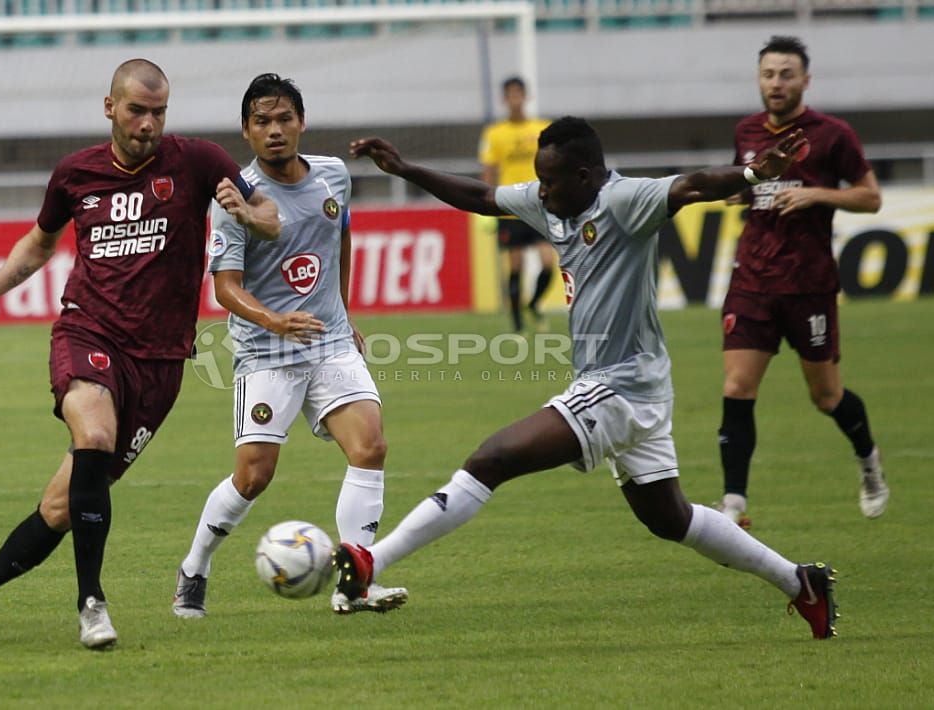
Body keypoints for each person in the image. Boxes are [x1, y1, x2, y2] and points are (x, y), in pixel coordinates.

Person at [339, 117, 841, 640]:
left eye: (550, 181)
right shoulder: (554, 199)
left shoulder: (626, 200)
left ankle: (372, 560)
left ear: (585, 175)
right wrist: (404, 169)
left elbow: (693, 185)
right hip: (636, 385)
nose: (541, 191)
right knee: (669, 517)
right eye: (540, 180)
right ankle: (799, 581)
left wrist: (754, 173)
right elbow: (484, 196)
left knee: (492, 459)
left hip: (619, 385)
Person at [0, 58, 280, 650]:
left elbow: (269, 217)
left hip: (159, 363)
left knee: (60, 508)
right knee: (94, 436)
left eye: (159, 112)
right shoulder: (75, 173)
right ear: (111, 108)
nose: (148, 124)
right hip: (88, 332)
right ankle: (91, 603)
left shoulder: (201, 162)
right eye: (136, 110)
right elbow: (39, 242)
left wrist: (247, 212)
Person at [172, 73, 407, 618]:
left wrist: (343, 312)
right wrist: (274, 321)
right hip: (266, 350)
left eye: (284, 119)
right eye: (262, 122)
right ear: (247, 132)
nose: (274, 131)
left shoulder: (333, 176)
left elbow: (341, 233)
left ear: (301, 122)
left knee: (370, 446)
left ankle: (356, 583)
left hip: (328, 342)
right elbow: (225, 288)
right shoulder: (233, 201)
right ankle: (195, 566)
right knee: (254, 475)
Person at [715, 36, 888, 529]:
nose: (776, 83)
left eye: (786, 74)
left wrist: (817, 194)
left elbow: (870, 199)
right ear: (759, 79)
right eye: (769, 74)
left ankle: (868, 460)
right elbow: (744, 186)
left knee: (826, 396)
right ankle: (733, 503)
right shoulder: (746, 131)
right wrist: (738, 192)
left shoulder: (833, 135)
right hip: (752, 280)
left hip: (808, 284)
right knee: (737, 385)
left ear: (805, 81)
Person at [478, 76, 555, 333]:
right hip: (510, 206)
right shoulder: (495, 134)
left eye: (518, 94)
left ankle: (533, 304)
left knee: (548, 263)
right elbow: (489, 170)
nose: (514, 99)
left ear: (525, 96)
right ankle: (517, 325)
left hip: (539, 205)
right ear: (504, 99)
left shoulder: (543, 129)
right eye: (510, 94)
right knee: (516, 265)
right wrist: (485, 206)